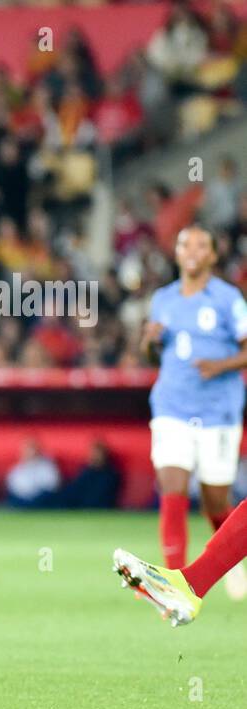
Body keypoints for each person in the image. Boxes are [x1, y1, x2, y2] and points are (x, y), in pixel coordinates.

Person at [140, 224, 247, 598]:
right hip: (172, 405)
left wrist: (220, 366)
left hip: (218, 411)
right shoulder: (163, 299)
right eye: (185, 242)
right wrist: (149, 343)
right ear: (177, 252)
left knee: (216, 499)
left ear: (213, 255)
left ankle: (226, 562)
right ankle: (172, 578)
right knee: (172, 485)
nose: (192, 250)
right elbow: (152, 354)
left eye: (202, 244)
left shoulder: (229, 299)